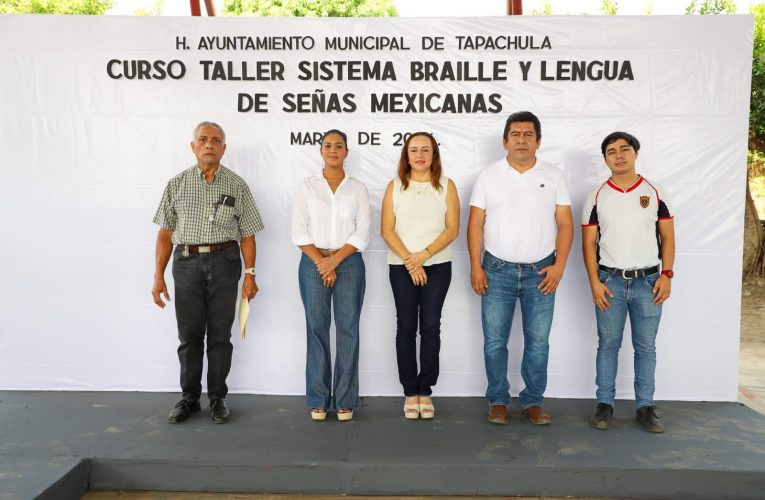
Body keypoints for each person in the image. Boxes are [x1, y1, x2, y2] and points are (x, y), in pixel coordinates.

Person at [152, 121, 264, 424]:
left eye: (216, 140)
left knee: (220, 335)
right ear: (193, 146)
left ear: (224, 148)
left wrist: (250, 274)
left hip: (225, 261)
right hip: (186, 263)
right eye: (203, 139)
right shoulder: (177, 184)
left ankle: (217, 398)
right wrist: (158, 275)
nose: (209, 144)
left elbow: (249, 233)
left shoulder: (237, 185)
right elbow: (165, 234)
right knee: (189, 336)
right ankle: (189, 399)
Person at [467, 111, 574, 425]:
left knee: (538, 342)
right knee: (494, 341)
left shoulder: (553, 175)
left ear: (538, 141)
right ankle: (498, 399)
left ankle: (533, 401)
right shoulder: (489, 175)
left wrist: (559, 267)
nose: (522, 140)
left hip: (541, 273)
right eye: (516, 134)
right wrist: (476, 266)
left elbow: (565, 225)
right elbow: (475, 224)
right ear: (505, 141)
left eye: (529, 134)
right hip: (496, 270)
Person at [581, 131, 675, 433]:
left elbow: (668, 236)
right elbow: (588, 243)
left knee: (646, 347)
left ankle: (646, 407)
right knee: (607, 345)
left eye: (624, 149)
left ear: (635, 152)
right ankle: (604, 405)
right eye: (611, 151)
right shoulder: (597, 196)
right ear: (605, 158)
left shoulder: (655, 191)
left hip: (649, 281)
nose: (619, 155)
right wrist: (594, 281)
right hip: (611, 281)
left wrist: (667, 274)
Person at [291, 129, 370, 422]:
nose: (333, 150)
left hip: (349, 263)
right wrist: (322, 263)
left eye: (339, 146)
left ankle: (346, 399)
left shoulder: (358, 188)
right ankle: (318, 398)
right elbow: (298, 231)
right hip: (313, 261)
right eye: (328, 145)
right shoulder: (307, 187)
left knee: (348, 329)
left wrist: (334, 261)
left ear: (347, 152)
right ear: (320, 151)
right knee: (317, 328)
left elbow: (362, 232)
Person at [381, 132, 460, 420]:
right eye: (413, 149)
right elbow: (387, 230)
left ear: (434, 154)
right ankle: (409, 391)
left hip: (437, 265)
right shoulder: (395, 187)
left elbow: (452, 229)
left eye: (425, 149)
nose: (419, 154)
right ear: (406, 155)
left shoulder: (447, 187)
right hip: (401, 266)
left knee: (430, 327)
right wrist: (411, 262)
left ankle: (425, 390)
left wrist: (423, 257)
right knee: (405, 326)